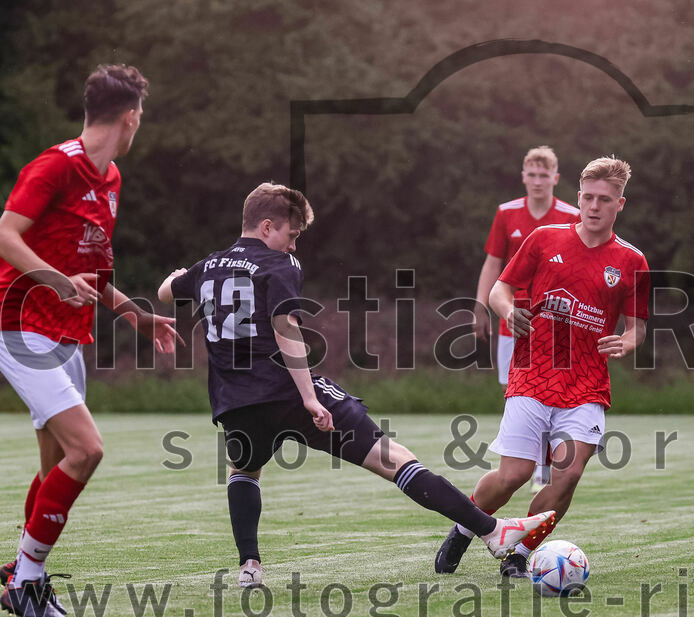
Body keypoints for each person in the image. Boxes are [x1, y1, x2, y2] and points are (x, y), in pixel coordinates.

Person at [158, 183, 553, 588]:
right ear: (266, 226)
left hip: (233, 400)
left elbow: (167, 291)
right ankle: (491, 532)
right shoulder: (280, 266)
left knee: (244, 470)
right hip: (285, 389)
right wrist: (310, 398)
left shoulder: (210, 265)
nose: (294, 246)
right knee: (392, 456)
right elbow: (284, 327)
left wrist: (176, 278)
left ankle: (249, 567)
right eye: (291, 235)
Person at [0, 65, 181, 617]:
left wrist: (137, 317)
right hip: (20, 325)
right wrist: (55, 281)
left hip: (67, 336)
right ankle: (27, 582)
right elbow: (5, 232)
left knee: (54, 465)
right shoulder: (55, 165)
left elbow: (94, 270)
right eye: (141, 117)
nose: (139, 125)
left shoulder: (112, 179)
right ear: (131, 117)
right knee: (87, 450)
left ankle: (16, 574)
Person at [436, 156, 649, 577]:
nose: (593, 206)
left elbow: (637, 328)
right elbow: (501, 288)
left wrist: (625, 342)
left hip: (587, 385)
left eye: (603, 200)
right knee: (513, 475)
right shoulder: (544, 239)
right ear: (578, 196)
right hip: (532, 374)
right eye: (587, 197)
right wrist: (507, 309)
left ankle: (519, 554)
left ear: (619, 204)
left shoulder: (631, 261)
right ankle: (464, 527)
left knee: (567, 476)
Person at [473, 146, 581, 494]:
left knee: (553, 391)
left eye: (543, 175)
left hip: (559, 320)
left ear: (555, 178)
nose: (537, 181)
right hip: (514, 319)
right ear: (523, 176)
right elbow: (493, 263)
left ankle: (542, 469)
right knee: (517, 392)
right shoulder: (506, 213)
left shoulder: (571, 214)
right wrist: (481, 305)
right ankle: (523, 460)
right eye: (531, 175)